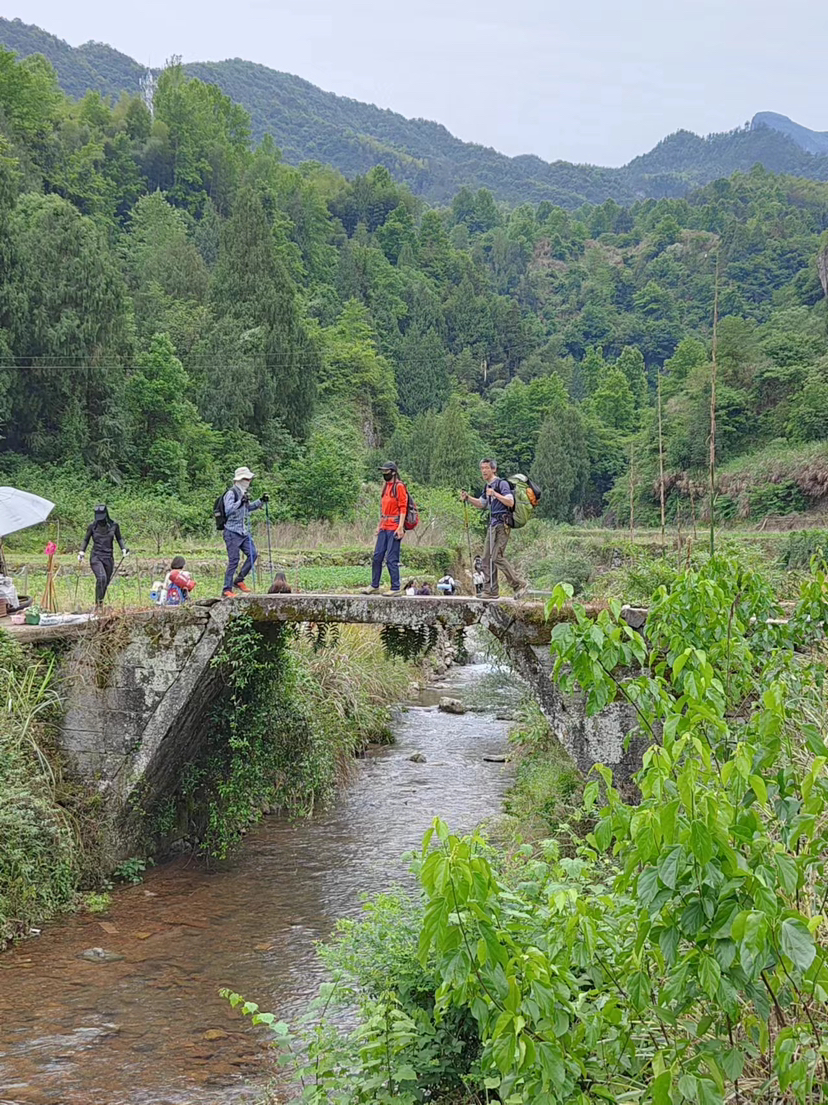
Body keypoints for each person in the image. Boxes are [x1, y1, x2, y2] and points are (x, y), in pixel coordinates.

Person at [461, 460, 528, 600]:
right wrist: (468, 498)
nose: (483, 471)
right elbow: (482, 504)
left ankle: (519, 584)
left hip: (502, 525)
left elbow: (510, 501)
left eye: (486, 468)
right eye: (482, 468)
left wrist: (495, 494)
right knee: (486, 558)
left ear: (493, 469)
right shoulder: (487, 486)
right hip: (492, 525)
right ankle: (491, 590)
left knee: (496, 556)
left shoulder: (501, 484)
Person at [222, 466, 268, 599]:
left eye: (249, 479)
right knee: (234, 560)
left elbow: (248, 508)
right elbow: (228, 510)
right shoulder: (231, 493)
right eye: (247, 479)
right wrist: (240, 502)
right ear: (240, 480)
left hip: (243, 532)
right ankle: (226, 589)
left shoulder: (244, 493)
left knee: (253, 554)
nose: (249, 481)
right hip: (232, 532)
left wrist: (260, 501)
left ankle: (239, 580)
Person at [363, 462, 407, 596]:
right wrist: (379, 525)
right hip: (384, 524)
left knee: (391, 558)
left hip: (394, 525)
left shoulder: (399, 486)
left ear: (393, 472)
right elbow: (383, 509)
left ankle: (396, 587)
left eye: (386, 471)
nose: (384, 474)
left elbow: (403, 507)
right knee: (377, 556)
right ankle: (374, 585)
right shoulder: (385, 487)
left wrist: (400, 527)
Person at [78, 504, 129, 606]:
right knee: (101, 578)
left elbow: (119, 538)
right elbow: (86, 539)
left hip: (108, 557)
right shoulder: (92, 527)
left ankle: (100, 603)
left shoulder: (114, 526)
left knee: (106, 582)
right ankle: (98, 604)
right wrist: (82, 551)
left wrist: (123, 548)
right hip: (96, 557)